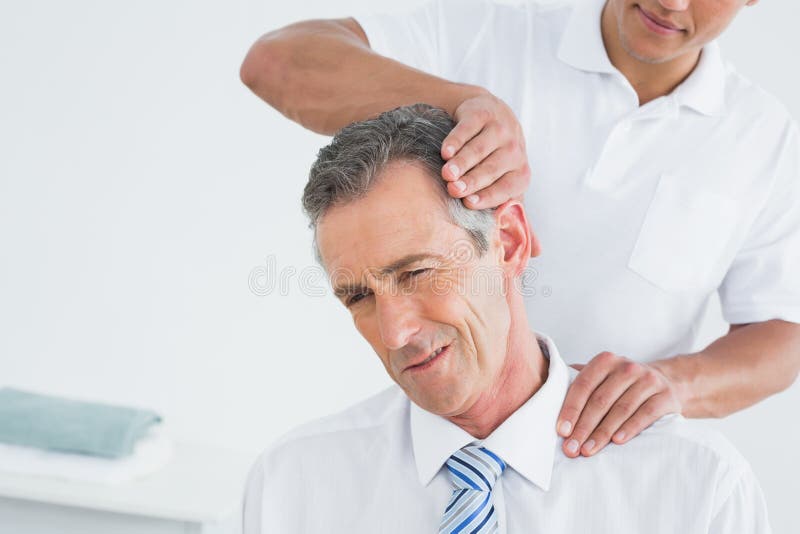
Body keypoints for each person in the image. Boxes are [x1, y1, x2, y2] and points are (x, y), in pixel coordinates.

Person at [239, 0, 800, 459]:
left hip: (612, 458)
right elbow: (277, 62)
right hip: (445, 440)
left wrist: (676, 383)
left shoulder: (764, 138)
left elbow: (783, 330)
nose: (670, 2)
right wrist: (463, 104)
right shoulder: (490, 36)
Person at [241, 104, 770, 533]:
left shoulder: (697, 487)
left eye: (418, 273)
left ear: (510, 243)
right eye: (358, 296)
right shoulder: (291, 486)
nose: (395, 331)